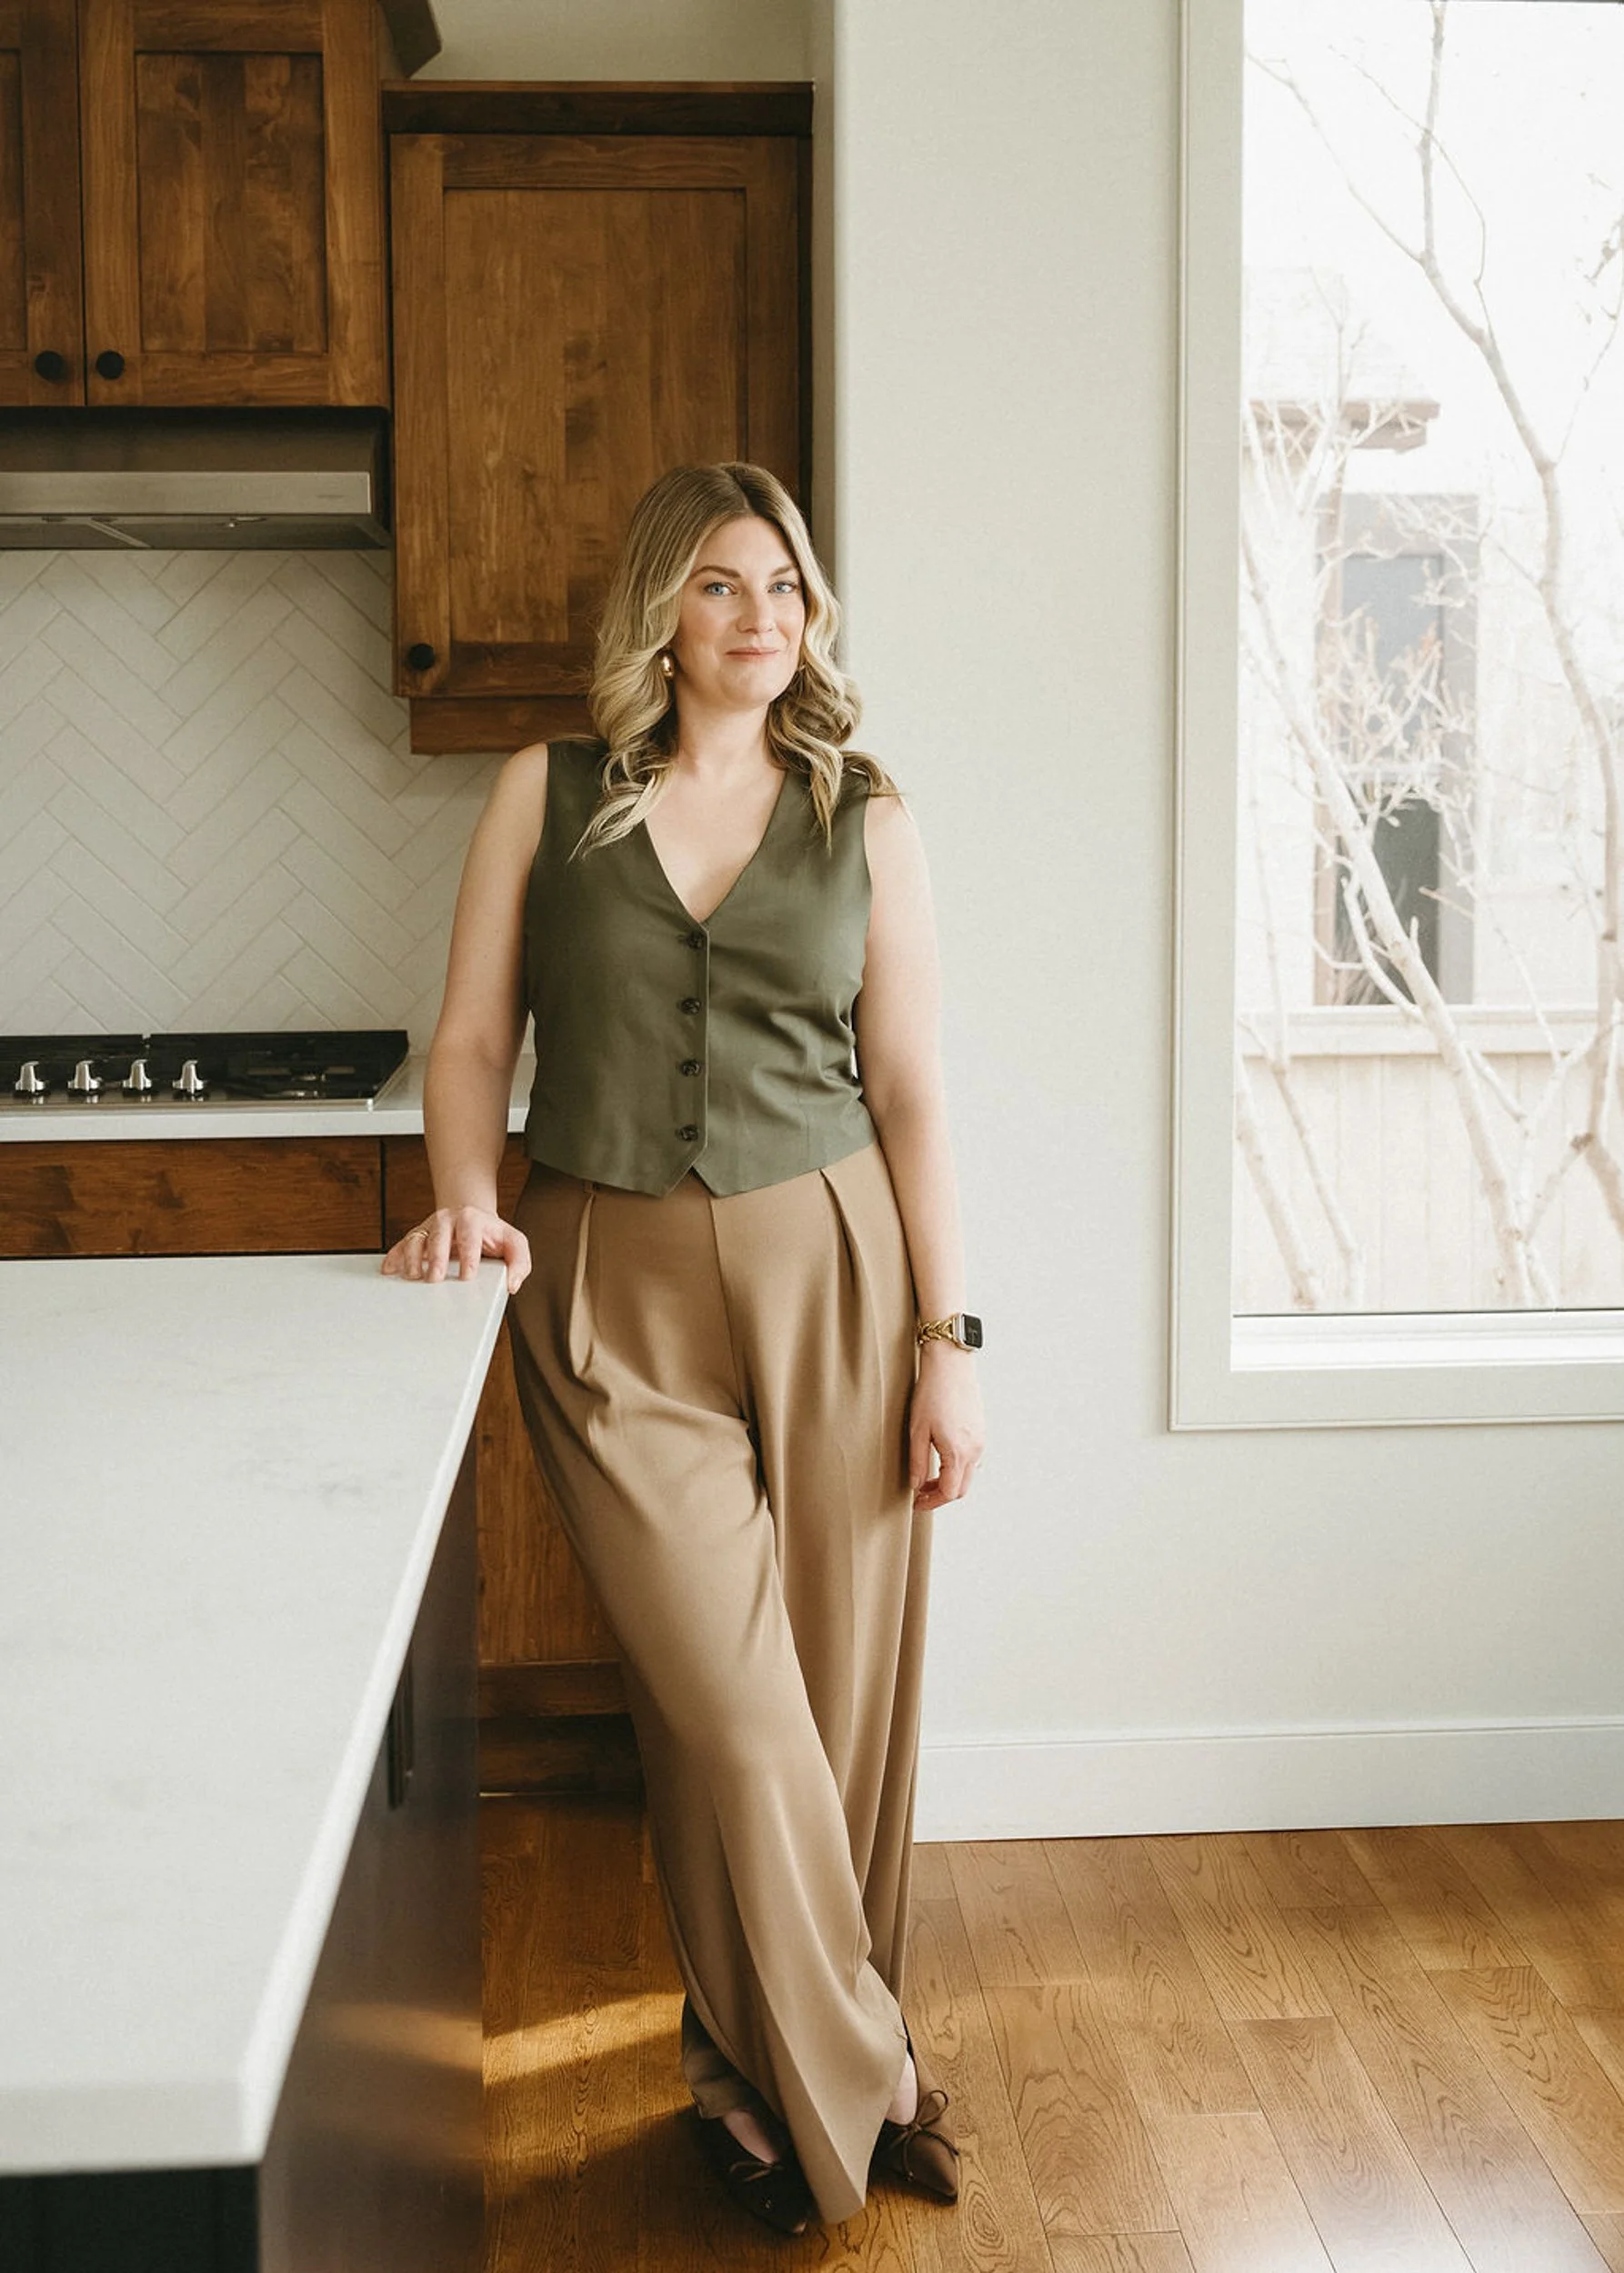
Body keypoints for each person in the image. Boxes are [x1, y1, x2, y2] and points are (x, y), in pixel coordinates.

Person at [382, 460, 985, 2236]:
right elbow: (475, 1037)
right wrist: (464, 1195)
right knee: (725, 1711)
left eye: (784, 585)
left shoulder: (862, 814)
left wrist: (950, 1336)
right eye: (720, 585)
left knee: (841, 1706)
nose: (759, 617)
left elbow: (914, 1091)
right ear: (660, 605)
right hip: (601, 1282)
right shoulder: (542, 793)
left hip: (836, 1270)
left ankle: (743, 2068)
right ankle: (861, 2054)